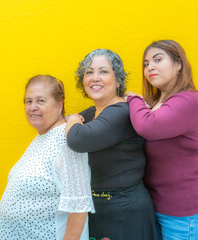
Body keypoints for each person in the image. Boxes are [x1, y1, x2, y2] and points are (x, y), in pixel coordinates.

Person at [126, 40, 198, 240]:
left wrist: (133, 98)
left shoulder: (188, 100)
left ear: (178, 65)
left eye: (158, 59)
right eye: (146, 63)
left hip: (189, 213)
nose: (150, 67)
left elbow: (147, 126)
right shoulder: (157, 104)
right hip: (162, 209)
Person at [65, 49, 158, 240]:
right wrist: (70, 120)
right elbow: (62, 128)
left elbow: (77, 139)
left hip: (126, 211)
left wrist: (72, 118)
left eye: (103, 71)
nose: (95, 78)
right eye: (89, 72)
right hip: (100, 209)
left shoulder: (121, 112)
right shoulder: (93, 112)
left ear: (117, 81)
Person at [0, 75, 95, 240]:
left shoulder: (66, 141)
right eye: (28, 101)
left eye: (40, 101)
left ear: (59, 105)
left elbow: (79, 207)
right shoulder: (42, 138)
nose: (32, 107)